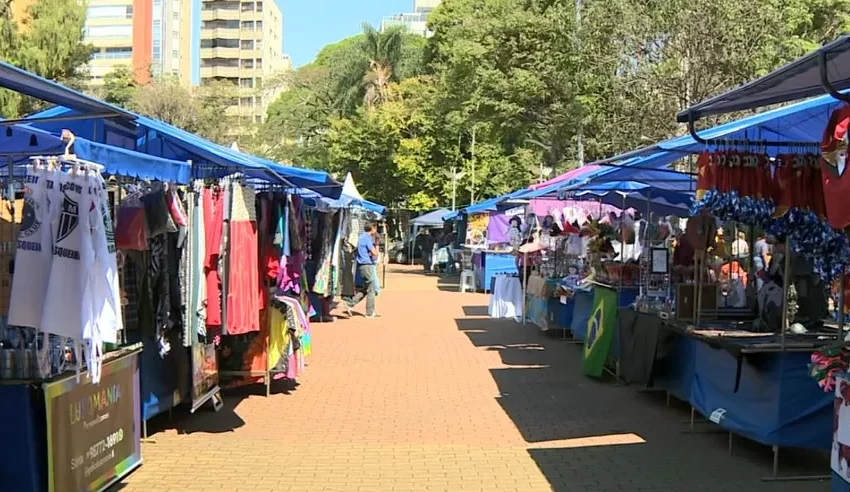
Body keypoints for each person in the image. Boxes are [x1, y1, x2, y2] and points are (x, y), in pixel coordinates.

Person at [345, 224, 379, 318]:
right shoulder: (367, 238)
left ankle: (350, 303)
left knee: (365, 288)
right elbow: (374, 252)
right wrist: (376, 247)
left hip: (361, 265)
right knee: (371, 289)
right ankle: (369, 312)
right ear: (372, 229)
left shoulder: (361, 238)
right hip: (367, 265)